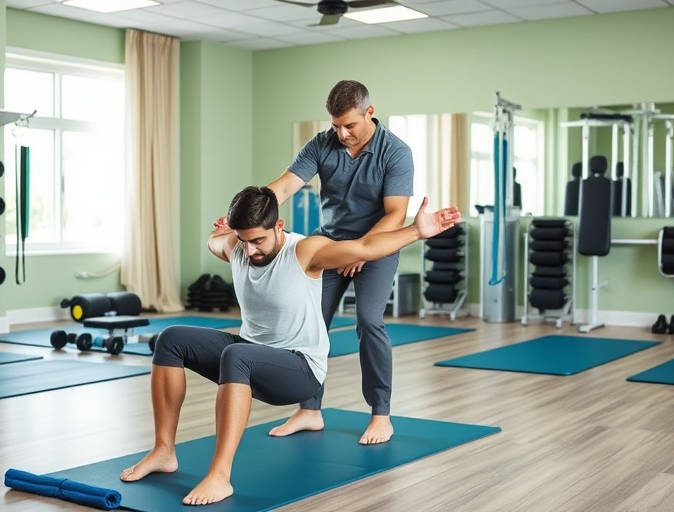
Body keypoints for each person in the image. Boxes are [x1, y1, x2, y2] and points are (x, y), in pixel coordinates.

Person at [119, 186, 459, 506]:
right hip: (251, 355)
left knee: (236, 355)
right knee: (171, 338)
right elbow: (215, 240)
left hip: (299, 370)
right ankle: (164, 451)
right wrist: (224, 231)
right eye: (243, 240)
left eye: (258, 240)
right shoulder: (236, 247)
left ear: (278, 225)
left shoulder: (306, 251)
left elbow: (366, 249)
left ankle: (220, 475)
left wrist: (416, 231)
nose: (250, 250)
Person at [265, 79, 413, 445]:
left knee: (369, 320)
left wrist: (361, 250)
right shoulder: (322, 143)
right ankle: (309, 409)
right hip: (330, 244)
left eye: (350, 125)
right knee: (310, 322)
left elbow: (396, 214)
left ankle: (381, 415)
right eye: (336, 126)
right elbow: (284, 186)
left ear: (369, 113)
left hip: (377, 245)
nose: (342, 133)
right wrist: (248, 210)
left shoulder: (395, 152)